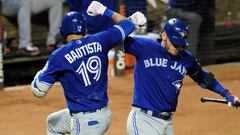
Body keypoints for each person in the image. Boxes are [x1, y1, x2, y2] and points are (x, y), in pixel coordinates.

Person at [31, 1, 146, 135]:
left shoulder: (59, 56)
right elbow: (127, 24)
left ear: (63, 31)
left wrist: (42, 73)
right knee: (53, 123)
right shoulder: (101, 39)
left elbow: (39, 90)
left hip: (85, 121)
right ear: (84, 29)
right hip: (104, 115)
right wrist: (104, 11)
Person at [123, 18, 239, 135]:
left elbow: (204, 78)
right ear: (164, 35)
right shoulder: (146, 47)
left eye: (181, 45)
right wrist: (129, 22)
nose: (178, 48)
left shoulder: (186, 58)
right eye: (175, 43)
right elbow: (115, 38)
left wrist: (226, 94)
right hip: (143, 120)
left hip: (167, 124)